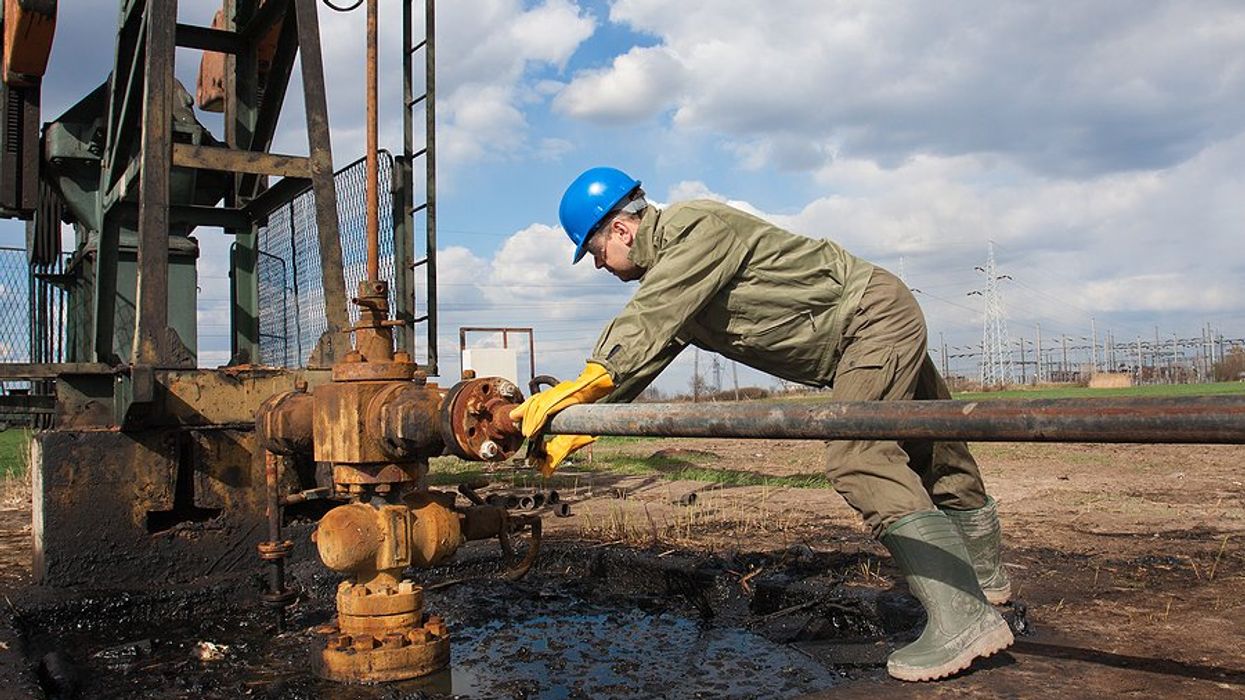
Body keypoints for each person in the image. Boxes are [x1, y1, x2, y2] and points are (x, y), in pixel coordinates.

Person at [510, 167, 1014, 682]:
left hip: (867, 320)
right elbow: (647, 350)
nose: (599, 266)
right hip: (868, 324)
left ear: (620, 229)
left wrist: (592, 375)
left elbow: (648, 315)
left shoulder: (694, 229)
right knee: (933, 443)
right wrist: (579, 422)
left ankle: (964, 618)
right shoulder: (679, 276)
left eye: (594, 253)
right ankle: (984, 574)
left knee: (859, 455)